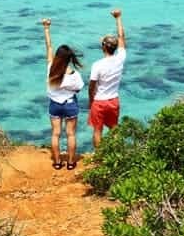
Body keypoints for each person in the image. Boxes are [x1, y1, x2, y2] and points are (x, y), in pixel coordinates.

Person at [41, 18, 84, 170]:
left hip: (54, 105)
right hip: (70, 105)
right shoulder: (74, 75)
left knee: (55, 134)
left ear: (58, 57)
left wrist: (46, 28)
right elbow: (78, 89)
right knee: (71, 134)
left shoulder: (50, 69)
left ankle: (57, 162)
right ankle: (71, 163)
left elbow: (49, 47)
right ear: (69, 59)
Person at [88, 9, 126, 148]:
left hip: (99, 102)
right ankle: (115, 156)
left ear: (103, 47)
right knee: (114, 128)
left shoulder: (97, 65)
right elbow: (122, 37)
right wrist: (118, 18)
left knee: (98, 130)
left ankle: (99, 158)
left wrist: (91, 101)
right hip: (113, 100)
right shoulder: (120, 59)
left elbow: (91, 86)